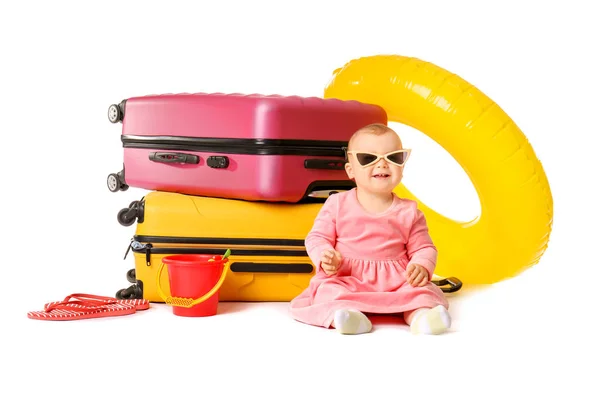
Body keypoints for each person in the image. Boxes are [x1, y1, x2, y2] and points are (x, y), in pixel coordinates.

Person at [289, 123, 451, 335]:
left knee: (421, 293)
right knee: (328, 292)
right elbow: (317, 237)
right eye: (368, 158)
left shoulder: (409, 211)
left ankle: (421, 317)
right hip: (348, 277)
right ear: (350, 170)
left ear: (402, 167)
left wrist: (421, 266)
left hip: (397, 281)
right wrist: (325, 256)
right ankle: (348, 317)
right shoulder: (337, 204)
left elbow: (424, 248)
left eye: (393, 157)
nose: (382, 165)